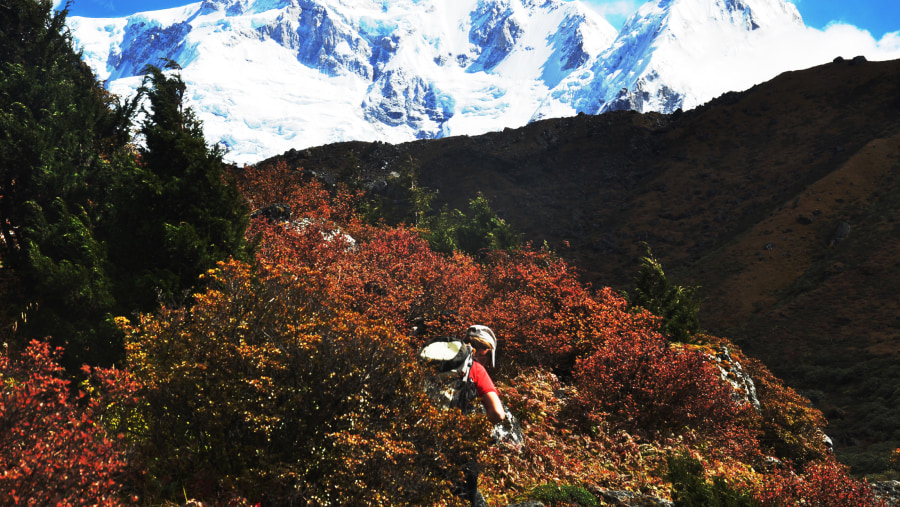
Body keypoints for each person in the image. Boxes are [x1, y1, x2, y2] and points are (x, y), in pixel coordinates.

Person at [463, 325, 506, 424]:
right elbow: (498, 413)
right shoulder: (476, 368)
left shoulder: (441, 362)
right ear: (484, 350)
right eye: (489, 354)